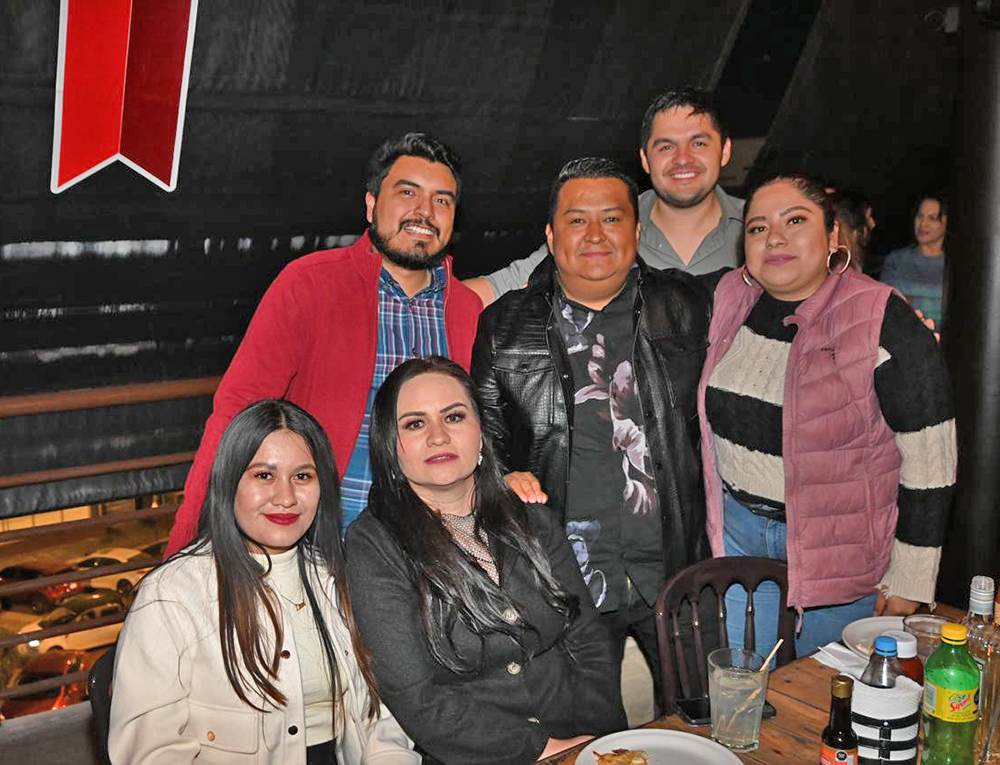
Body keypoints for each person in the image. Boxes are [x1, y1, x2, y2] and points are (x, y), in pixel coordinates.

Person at [471, 158, 716, 713]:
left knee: (702, 724)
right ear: (551, 235)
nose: (596, 234)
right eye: (577, 220)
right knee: (589, 737)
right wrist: (503, 476)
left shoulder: (689, 307)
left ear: (637, 229)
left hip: (676, 571)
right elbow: (484, 440)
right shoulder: (506, 323)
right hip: (567, 582)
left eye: (611, 218)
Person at [165, 133, 483, 556]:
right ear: (371, 204)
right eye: (407, 193)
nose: (424, 211)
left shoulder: (466, 309)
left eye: (442, 200)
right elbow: (237, 413)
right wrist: (186, 547)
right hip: (323, 546)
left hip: (431, 547)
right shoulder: (310, 285)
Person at [699, 174, 956, 659]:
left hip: (843, 561)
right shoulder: (729, 298)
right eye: (758, 228)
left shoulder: (881, 315)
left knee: (823, 696)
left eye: (795, 221)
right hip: (740, 544)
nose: (775, 238)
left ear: (832, 233)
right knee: (744, 690)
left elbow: (931, 457)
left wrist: (911, 577)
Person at [345, 357, 625, 765]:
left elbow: (588, 638)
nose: (438, 436)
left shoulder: (531, 518)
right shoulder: (374, 544)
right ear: (390, 445)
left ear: (480, 432)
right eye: (415, 424)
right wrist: (540, 749)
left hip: (581, 739)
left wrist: (596, 743)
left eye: (454, 417)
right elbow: (415, 695)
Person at [110, 399, 419, 765]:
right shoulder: (171, 596)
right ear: (229, 482)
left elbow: (380, 719)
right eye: (264, 476)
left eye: (302, 477)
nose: (285, 498)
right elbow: (152, 753)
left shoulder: (339, 577)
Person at [463, 87, 741, 306]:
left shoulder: (758, 228)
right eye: (666, 147)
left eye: (698, 143)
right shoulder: (608, 224)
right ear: (645, 159)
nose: (683, 159)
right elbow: (499, 287)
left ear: (725, 151)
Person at [880, 192, 948, 328]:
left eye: (932, 218)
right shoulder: (896, 261)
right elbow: (892, 304)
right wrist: (938, 303)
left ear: (946, 222)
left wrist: (912, 300)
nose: (923, 223)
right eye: (919, 216)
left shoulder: (955, 265)